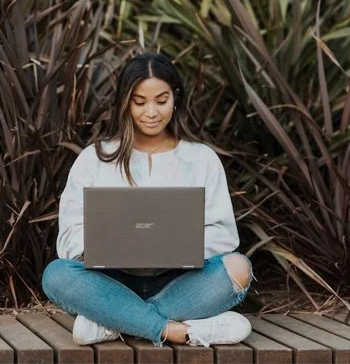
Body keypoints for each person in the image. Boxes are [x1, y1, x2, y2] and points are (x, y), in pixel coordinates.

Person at [41, 52, 256, 347]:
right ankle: (173, 330)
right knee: (56, 275)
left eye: (161, 100)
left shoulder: (201, 158)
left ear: (175, 98)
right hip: (110, 282)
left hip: (180, 283)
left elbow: (223, 235)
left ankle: (115, 322)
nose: (151, 112)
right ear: (125, 102)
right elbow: (69, 235)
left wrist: (178, 246)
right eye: (139, 102)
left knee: (239, 268)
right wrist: (109, 247)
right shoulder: (95, 158)